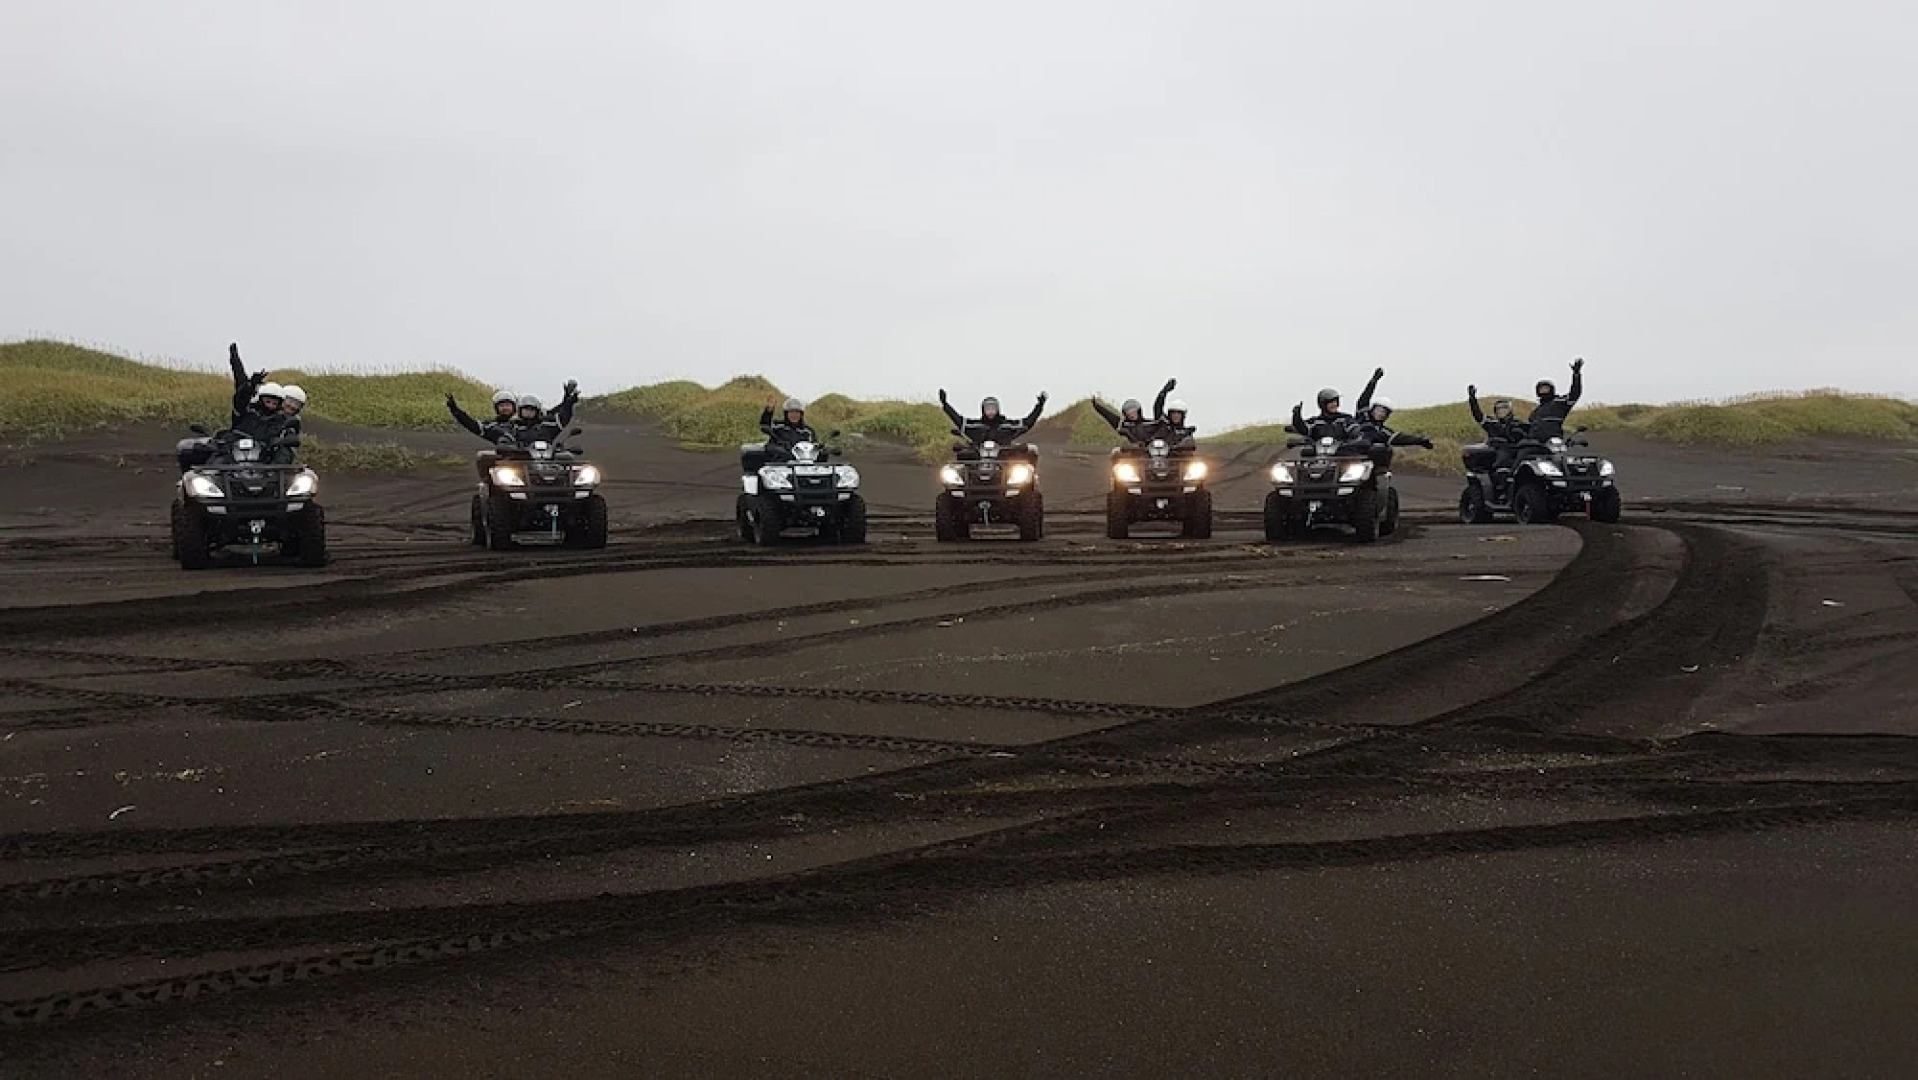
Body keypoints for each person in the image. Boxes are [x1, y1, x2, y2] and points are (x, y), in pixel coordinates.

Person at [1467, 385, 1531, 495]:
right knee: (1503, 459)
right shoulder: (1491, 423)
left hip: (1517, 450)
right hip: (1497, 450)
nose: (1502, 411)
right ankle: (1502, 487)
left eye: (1504, 409)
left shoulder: (1519, 424)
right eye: (1499, 409)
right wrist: (1472, 399)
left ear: (1510, 410)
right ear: (1495, 411)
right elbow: (1478, 415)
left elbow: (1535, 429)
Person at [939, 390, 1047, 445]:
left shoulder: (1008, 425)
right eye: (987, 408)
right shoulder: (974, 425)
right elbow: (958, 420)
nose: (990, 411)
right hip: (978, 463)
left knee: (1026, 471)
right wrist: (945, 404)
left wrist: (1039, 405)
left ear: (997, 409)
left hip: (1005, 462)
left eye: (993, 408)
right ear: (983, 410)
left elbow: (1028, 422)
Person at [1091, 378, 1178, 444]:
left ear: (1139, 411)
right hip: (1134, 456)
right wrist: (1098, 407)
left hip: (1153, 454)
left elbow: (1158, 409)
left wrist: (1163, 393)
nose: (1131, 414)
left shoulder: (1151, 424)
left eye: (1133, 411)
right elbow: (1111, 417)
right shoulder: (1125, 425)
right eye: (1128, 412)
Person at [1352, 396, 1435, 464]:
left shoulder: (1384, 431)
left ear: (1387, 415)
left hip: (1367, 462)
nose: (1380, 414)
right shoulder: (1361, 419)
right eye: (1378, 410)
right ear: (1372, 409)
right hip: (1349, 457)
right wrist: (1374, 380)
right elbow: (1363, 399)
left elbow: (1399, 438)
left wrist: (1420, 441)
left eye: (1384, 412)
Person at [1527, 358, 1585, 439]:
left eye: (1546, 388)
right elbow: (1528, 426)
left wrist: (1576, 375)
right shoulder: (1536, 411)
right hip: (1535, 442)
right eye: (1541, 389)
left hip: (1554, 441)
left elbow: (1575, 394)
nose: (1543, 391)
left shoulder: (1560, 402)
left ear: (1551, 390)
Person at [447, 390, 518, 442]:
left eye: (508, 405)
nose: (505, 408)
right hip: (502, 459)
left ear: (514, 407)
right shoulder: (492, 426)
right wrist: (455, 409)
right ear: (496, 408)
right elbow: (471, 424)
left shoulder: (522, 424)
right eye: (501, 405)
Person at [1289, 388, 1354, 440]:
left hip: (1342, 454)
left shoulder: (1345, 419)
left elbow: (1354, 429)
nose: (1334, 404)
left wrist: (1357, 431)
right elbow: (1303, 428)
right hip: (1317, 455)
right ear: (1323, 404)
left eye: (1335, 401)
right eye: (1331, 402)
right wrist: (1296, 416)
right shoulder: (1315, 422)